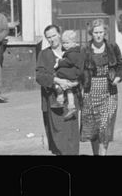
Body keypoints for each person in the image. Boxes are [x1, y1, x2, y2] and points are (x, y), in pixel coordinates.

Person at [79, 19, 122, 156]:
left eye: (101, 32)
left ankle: (103, 154)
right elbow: (79, 70)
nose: (99, 35)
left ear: (105, 32)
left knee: (104, 126)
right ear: (91, 33)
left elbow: (121, 65)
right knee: (94, 128)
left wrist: (118, 76)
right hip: (90, 92)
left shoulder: (112, 47)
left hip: (109, 91)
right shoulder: (85, 49)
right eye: (96, 32)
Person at [35, 25, 83, 155]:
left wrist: (74, 82)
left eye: (54, 35)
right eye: (48, 37)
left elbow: (82, 69)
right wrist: (58, 81)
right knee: (58, 136)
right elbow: (39, 76)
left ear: (59, 34)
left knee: (72, 135)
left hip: (71, 100)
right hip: (53, 101)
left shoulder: (70, 51)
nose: (51, 39)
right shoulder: (44, 54)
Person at [52, 32, 86, 120]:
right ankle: (71, 107)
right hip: (76, 75)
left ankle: (60, 99)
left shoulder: (72, 52)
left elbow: (69, 62)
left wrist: (59, 62)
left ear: (73, 42)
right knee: (69, 89)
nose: (65, 45)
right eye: (63, 43)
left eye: (67, 43)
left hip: (74, 74)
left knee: (58, 75)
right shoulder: (78, 50)